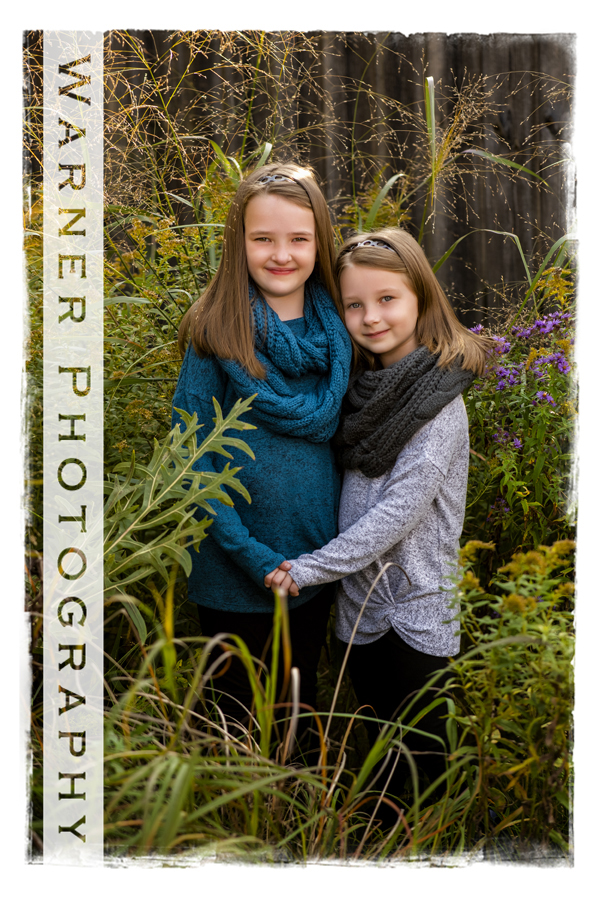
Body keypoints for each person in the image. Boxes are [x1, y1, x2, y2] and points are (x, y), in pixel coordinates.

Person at [265, 227, 495, 801]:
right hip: (358, 617)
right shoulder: (359, 389)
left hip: (416, 616)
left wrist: (309, 568)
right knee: (378, 768)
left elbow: (399, 511)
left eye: (387, 299)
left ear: (420, 295)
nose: (371, 317)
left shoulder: (439, 399)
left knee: (423, 773)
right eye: (354, 304)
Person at [172, 163, 352, 747]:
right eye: (263, 239)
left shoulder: (339, 332)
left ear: (319, 242)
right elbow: (192, 459)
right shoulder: (217, 329)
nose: (282, 254)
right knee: (234, 721)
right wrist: (254, 557)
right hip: (234, 567)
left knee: (298, 715)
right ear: (238, 242)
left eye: (299, 239)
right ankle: (234, 834)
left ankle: (306, 830)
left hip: (312, 564)